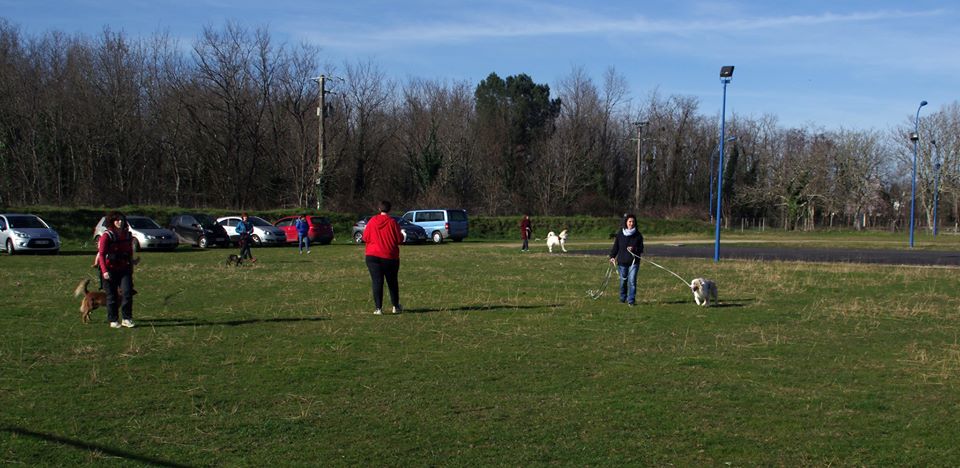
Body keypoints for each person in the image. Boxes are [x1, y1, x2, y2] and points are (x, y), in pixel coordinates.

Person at [362, 200, 403, 315]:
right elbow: (399, 239)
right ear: (389, 210)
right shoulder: (392, 222)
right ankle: (395, 306)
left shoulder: (372, 221)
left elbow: (365, 237)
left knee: (377, 281)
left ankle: (378, 308)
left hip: (372, 255)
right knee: (392, 282)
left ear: (379, 209)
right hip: (390, 256)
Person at [97, 211, 136, 328]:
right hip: (110, 269)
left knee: (127, 292)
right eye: (117, 220)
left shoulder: (127, 235)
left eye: (121, 220)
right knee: (112, 296)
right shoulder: (106, 236)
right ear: (112, 222)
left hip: (124, 269)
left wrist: (132, 262)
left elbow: (129, 252)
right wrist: (104, 271)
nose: (120, 222)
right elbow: (102, 254)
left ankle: (126, 318)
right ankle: (113, 320)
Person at [609, 213, 644, 306]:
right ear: (626, 222)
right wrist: (612, 256)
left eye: (633, 222)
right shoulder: (620, 234)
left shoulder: (638, 235)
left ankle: (631, 300)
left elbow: (641, 249)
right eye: (629, 221)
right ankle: (622, 297)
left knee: (632, 281)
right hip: (622, 262)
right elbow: (616, 246)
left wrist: (634, 249)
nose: (631, 223)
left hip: (634, 262)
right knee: (623, 281)